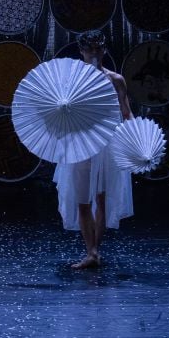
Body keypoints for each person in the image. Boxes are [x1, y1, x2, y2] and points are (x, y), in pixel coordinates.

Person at [54, 30, 134, 269]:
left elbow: (126, 113)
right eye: (90, 49)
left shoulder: (116, 79)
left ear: (104, 50)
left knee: (102, 198)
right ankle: (91, 251)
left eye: (98, 48)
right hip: (80, 143)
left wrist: (137, 138)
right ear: (82, 52)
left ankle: (94, 251)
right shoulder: (72, 80)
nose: (94, 53)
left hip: (107, 144)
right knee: (82, 200)